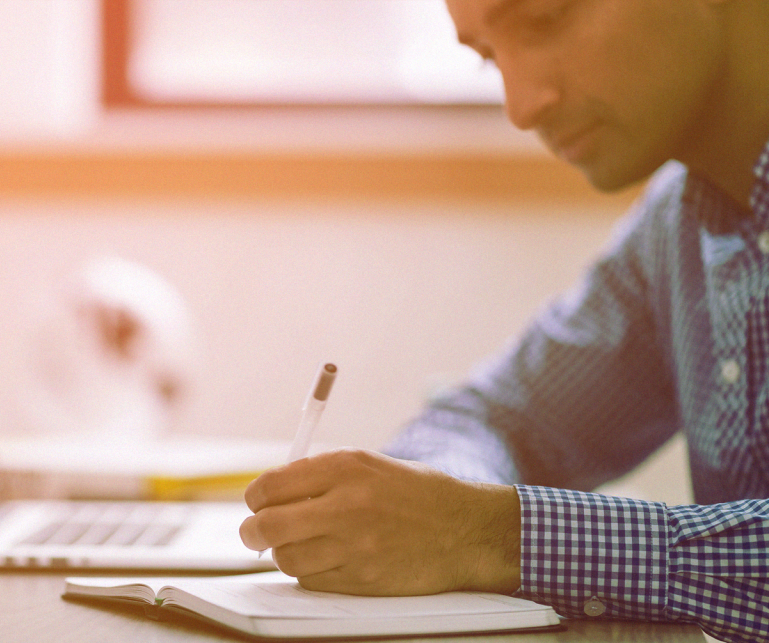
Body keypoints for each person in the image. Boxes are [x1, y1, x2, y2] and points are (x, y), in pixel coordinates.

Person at [238, 1, 769, 641]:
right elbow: (494, 417)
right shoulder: (680, 225)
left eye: (545, 20)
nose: (520, 108)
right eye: (489, 57)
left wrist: (490, 534)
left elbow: (482, 522)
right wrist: (431, 516)